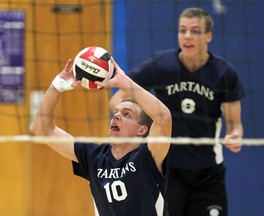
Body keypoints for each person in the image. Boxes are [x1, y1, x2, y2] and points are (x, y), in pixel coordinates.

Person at [109, 7, 245, 216]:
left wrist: (235, 136)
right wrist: (141, 119)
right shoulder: (161, 65)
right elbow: (116, 101)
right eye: (182, 30)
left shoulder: (224, 74)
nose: (187, 36)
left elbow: (235, 123)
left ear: (208, 36)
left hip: (208, 173)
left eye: (195, 31)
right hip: (167, 169)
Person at [31, 57, 172, 216]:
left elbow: (163, 118)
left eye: (127, 115)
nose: (117, 116)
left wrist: (125, 83)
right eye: (116, 112)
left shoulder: (148, 156)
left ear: (142, 130)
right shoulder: (94, 156)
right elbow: (42, 129)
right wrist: (56, 86)